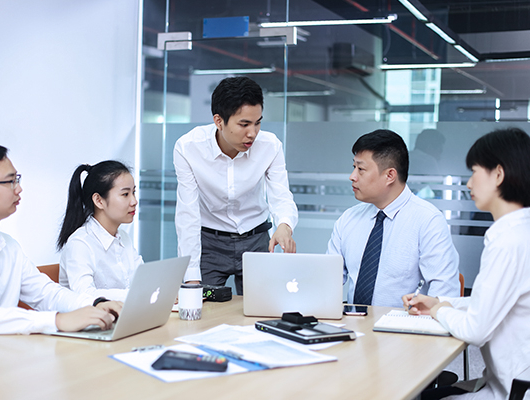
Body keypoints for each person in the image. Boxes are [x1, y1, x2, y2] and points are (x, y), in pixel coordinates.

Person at [404, 127, 530, 400]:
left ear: (498, 174)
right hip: (509, 379)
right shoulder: (520, 232)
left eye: (474, 171)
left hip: (514, 390)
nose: (469, 184)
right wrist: (442, 302)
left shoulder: (509, 242)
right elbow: (494, 302)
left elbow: (476, 330)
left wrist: (437, 310)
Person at [0, 141, 122, 340]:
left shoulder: (9, 247)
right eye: (10, 181)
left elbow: (46, 293)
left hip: (6, 355)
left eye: (17, 179)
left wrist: (95, 304)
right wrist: (57, 321)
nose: (19, 189)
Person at [173, 76, 298, 294]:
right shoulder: (188, 148)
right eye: (244, 124)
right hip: (209, 244)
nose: (252, 133)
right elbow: (188, 213)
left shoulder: (270, 146)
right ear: (219, 121)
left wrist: (284, 226)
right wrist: (191, 275)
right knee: (202, 314)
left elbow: (281, 195)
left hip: (256, 240)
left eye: (257, 122)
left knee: (261, 311)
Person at [327, 129, 460, 308]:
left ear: (390, 175)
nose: (352, 176)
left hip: (402, 330)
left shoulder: (428, 221)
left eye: (361, 169)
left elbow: (444, 295)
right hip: (351, 328)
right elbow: (326, 281)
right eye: (354, 167)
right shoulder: (349, 219)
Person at [57, 161, 142, 301]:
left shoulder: (124, 238)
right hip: (90, 322)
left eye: (133, 192)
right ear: (99, 200)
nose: (134, 201)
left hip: (123, 318)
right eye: (125, 194)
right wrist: (135, 295)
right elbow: (85, 294)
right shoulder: (80, 243)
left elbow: (143, 281)